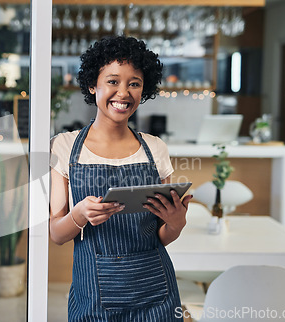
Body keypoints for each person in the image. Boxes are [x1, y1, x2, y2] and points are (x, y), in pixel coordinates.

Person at [49, 36, 193, 321]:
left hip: (156, 294)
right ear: (93, 85)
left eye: (134, 83)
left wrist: (177, 223)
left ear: (144, 89)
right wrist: (79, 215)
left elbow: (161, 237)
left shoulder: (155, 148)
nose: (123, 92)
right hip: (94, 297)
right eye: (113, 81)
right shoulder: (65, 147)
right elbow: (56, 234)